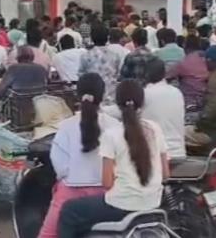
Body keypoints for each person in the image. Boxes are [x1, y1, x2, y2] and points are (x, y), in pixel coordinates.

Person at [57, 80, 169, 238]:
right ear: (142, 103)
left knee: (69, 210)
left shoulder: (112, 134)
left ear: (117, 104)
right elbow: (165, 174)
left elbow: (107, 182)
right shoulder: (155, 129)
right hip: (153, 203)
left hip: (121, 205)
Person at [38, 74, 120, 238]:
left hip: (70, 193)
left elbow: (60, 167)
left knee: (48, 234)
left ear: (78, 94)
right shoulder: (115, 125)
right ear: (103, 95)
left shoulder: (66, 126)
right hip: (109, 195)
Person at [142, 58, 186, 159]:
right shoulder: (177, 92)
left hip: (156, 156)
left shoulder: (144, 94)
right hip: (179, 152)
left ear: (145, 74)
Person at [80, 26, 122, 105]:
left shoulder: (85, 56)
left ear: (92, 38)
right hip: (111, 97)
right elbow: (117, 74)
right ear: (107, 38)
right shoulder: (115, 56)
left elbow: (81, 76)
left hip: (93, 98)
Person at [167, 35, 209, 113]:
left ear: (184, 46)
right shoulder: (208, 58)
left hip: (190, 99)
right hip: (208, 95)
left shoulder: (184, 62)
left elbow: (168, 76)